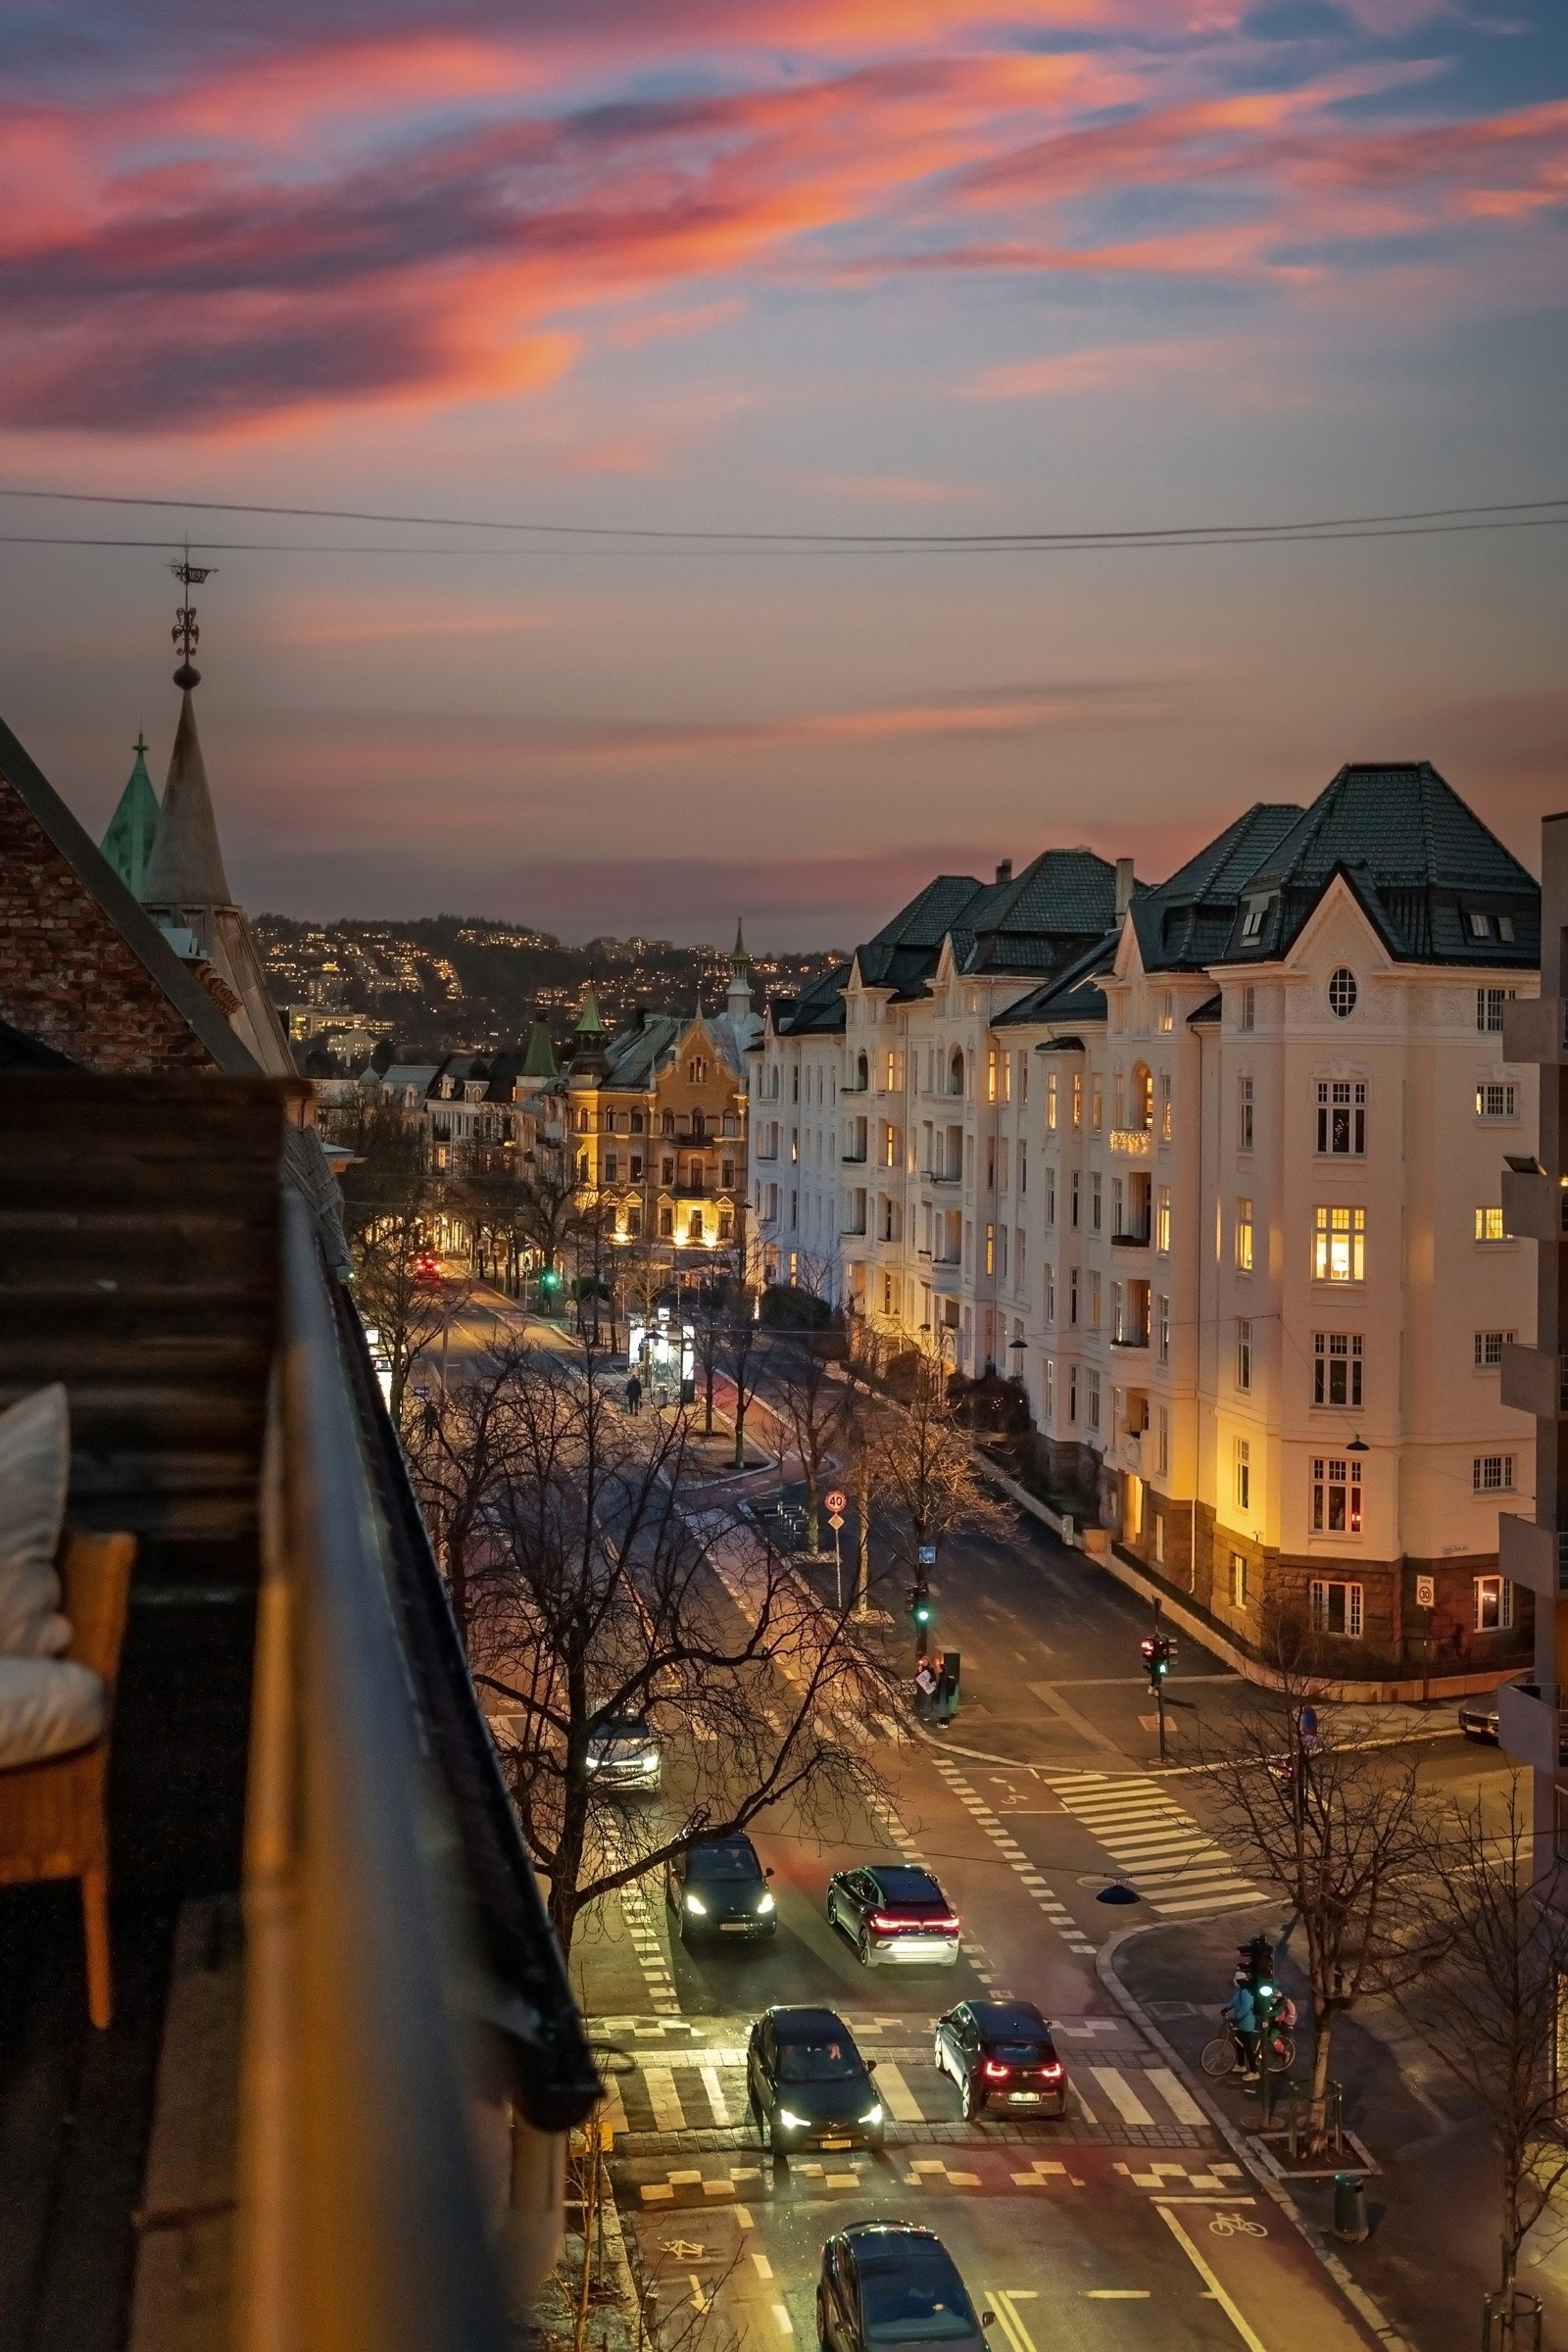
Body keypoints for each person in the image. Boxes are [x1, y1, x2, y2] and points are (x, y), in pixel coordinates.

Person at [1223, 1980, 1259, 2076]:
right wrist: (1226, 2008)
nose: (1234, 1981)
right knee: (1239, 2044)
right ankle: (1241, 2065)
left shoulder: (1245, 1992)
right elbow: (1235, 2000)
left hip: (1246, 2023)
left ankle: (1254, 2072)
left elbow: (1246, 2008)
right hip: (1242, 2023)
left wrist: (1237, 2018)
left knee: (1247, 2047)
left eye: (1235, 1979)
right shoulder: (1241, 1991)